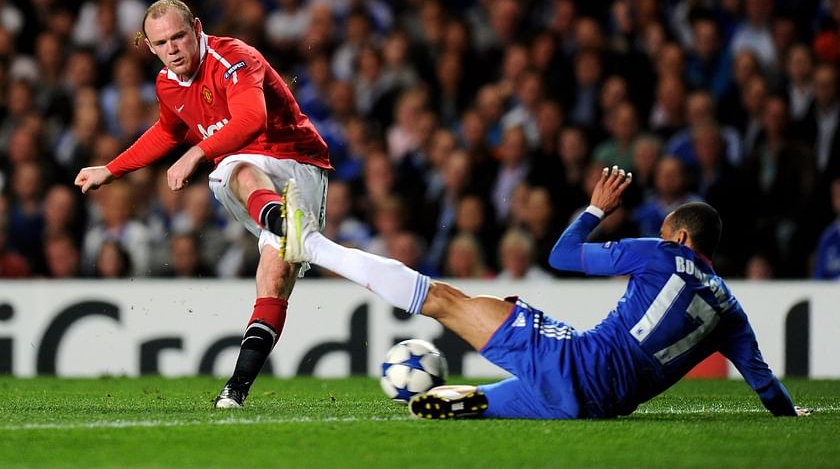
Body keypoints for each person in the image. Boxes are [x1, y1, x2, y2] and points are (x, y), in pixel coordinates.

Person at [280, 166, 809, 419]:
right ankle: (449, 399)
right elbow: (767, 388)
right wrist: (794, 416)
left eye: (668, 229)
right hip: (595, 406)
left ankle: (317, 248)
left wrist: (597, 208)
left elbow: (559, 255)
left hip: (572, 364)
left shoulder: (660, 253)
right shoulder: (730, 309)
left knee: (444, 300)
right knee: (456, 404)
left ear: (683, 237)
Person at [74, 0, 331, 409]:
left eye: (179, 36)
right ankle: (236, 390)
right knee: (273, 281)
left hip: (296, 163)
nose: (173, 48)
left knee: (231, 166)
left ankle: (279, 220)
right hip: (257, 185)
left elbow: (251, 120)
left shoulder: (234, 58)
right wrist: (112, 169)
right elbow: (167, 131)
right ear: (150, 46)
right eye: (162, 42)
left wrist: (196, 155)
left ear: (196, 27)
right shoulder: (167, 83)